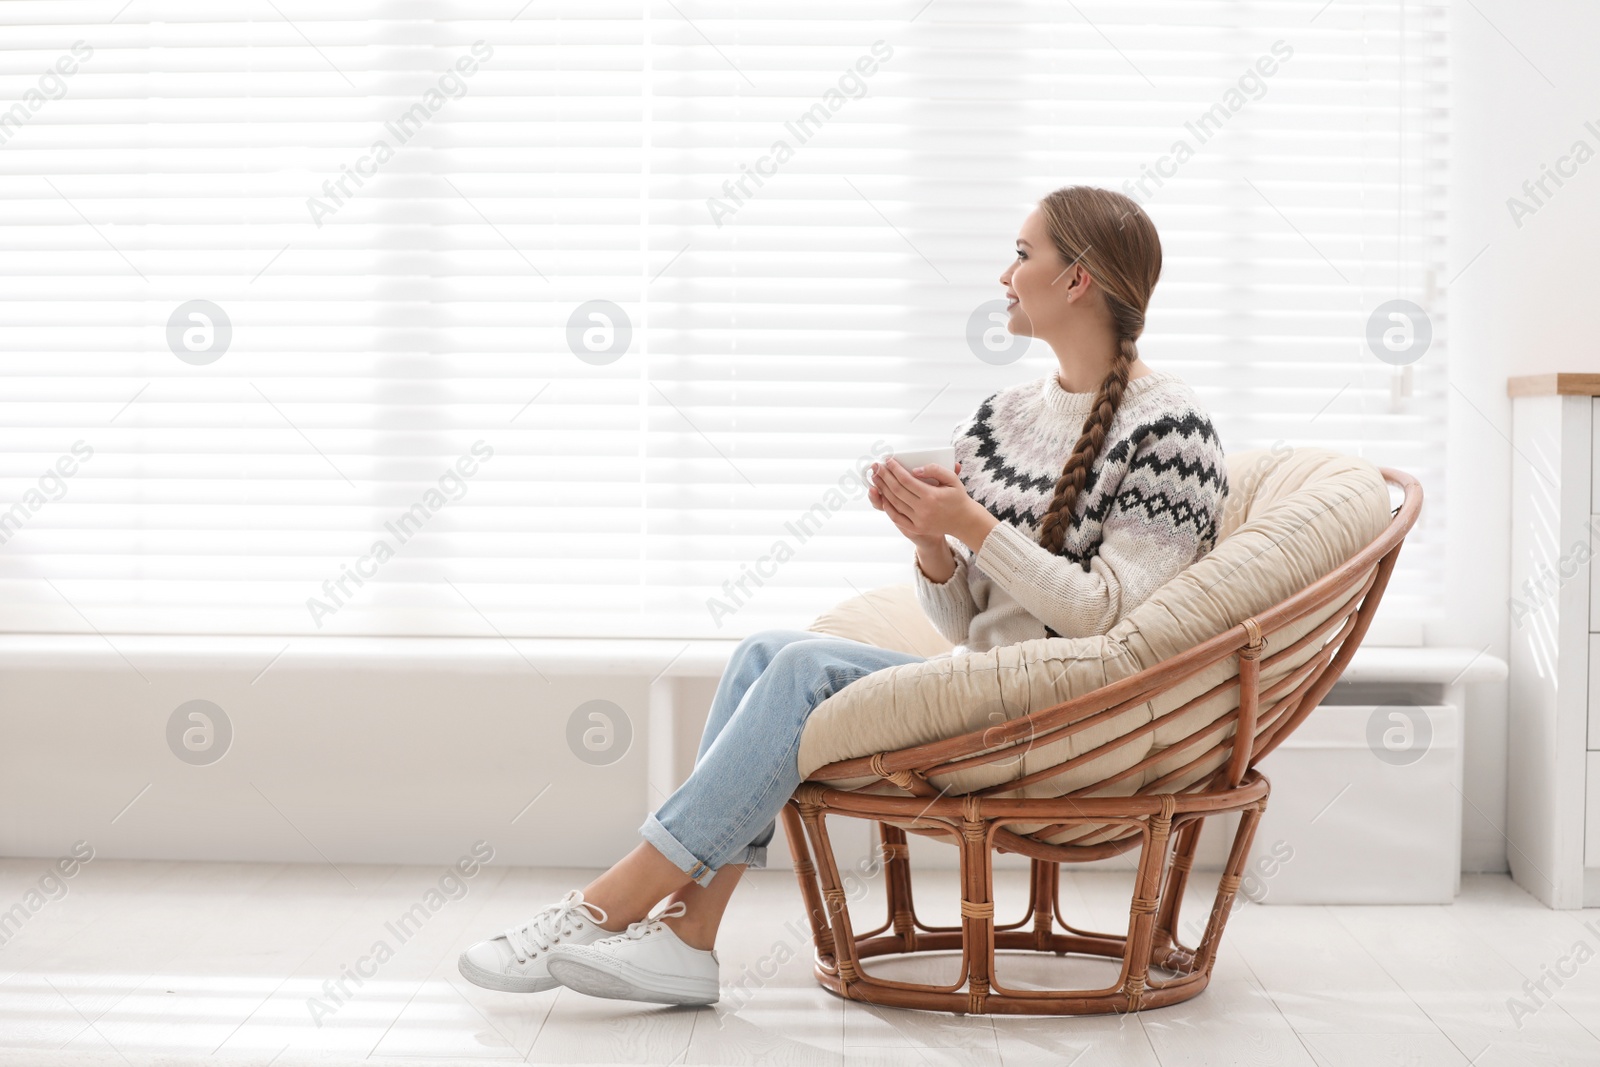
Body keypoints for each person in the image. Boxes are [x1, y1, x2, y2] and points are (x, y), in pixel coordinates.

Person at [457, 184, 1229, 1007]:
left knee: (803, 668)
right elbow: (968, 625)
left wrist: (969, 522)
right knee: (766, 651)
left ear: (1077, 280)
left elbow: (1110, 617)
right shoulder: (1004, 416)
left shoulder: (1171, 428)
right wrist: (933, 544)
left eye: (1022, 253)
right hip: (993, 683)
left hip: (1072, 716)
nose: (1004, 275)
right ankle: (688, 934)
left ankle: (605, 904)